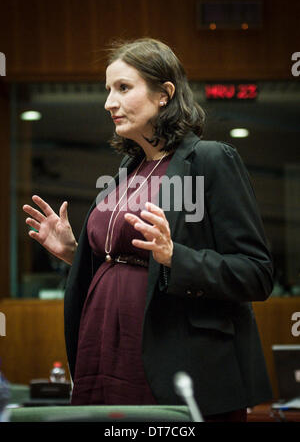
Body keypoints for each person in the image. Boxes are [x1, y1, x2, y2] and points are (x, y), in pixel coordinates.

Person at [23, 37, 274, 422]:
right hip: (103, 346)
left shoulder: (210, 160)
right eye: (108, 90)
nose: (109, 102)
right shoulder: (128, 170)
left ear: (164, 94)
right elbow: (130, 258)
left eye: (123, 88)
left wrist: (177, 257)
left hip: (176, 360)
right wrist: (75, 252)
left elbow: (256, 273)